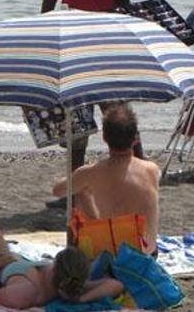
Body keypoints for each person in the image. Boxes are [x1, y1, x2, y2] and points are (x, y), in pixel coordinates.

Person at [40, 0, 142, 207]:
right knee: (76, 128)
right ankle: (75, 191)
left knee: (120, 121)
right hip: (74, 56)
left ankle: (136, 179)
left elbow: (125, 7)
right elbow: (46, 12)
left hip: (108, 53)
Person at [52, 102, 161, 255]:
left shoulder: (91, 172)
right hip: (146, 251)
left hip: (112, 251)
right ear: (135, 138)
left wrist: (77, 176)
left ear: (104, 137)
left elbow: (57, 190)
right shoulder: (153, 170)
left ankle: (78, 245)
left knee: (81, 191)